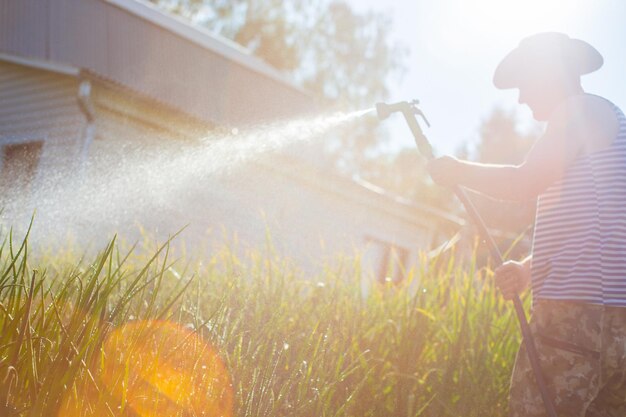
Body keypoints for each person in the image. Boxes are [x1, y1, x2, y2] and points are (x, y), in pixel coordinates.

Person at [427, 32, 626, 417]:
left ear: (550, 73)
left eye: (524, 83)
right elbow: (598, 232)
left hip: (574, 320)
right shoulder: (607, 127)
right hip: (617, 329)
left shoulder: (582, 110)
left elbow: (524, 182)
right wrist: (528, 270)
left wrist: (456, 171)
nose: (520, 98)